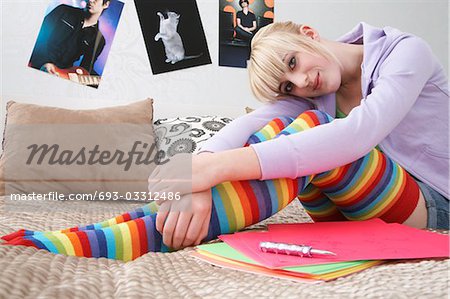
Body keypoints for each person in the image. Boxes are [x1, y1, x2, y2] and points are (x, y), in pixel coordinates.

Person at [3, 22, 448, 260]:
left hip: (434, 205)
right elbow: (242, 130)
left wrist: (217, 169)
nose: (301, 81)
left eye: (293, 61)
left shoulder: (405, 52)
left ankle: (116, 241)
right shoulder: (317, 94)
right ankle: (107, 229)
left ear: (309, 33)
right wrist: (199, 174)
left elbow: (358, 135)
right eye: (289, 85)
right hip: (362, 211)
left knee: (315, 131)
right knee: (286, 130)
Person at [29, 0, 110, 75]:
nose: (91, 0)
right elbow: (38, 37)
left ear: (106, 4)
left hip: (62, 75)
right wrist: (42, 62)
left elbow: (85, 68)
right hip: (34, 64)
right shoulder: (63, 10)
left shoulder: (98, 41)